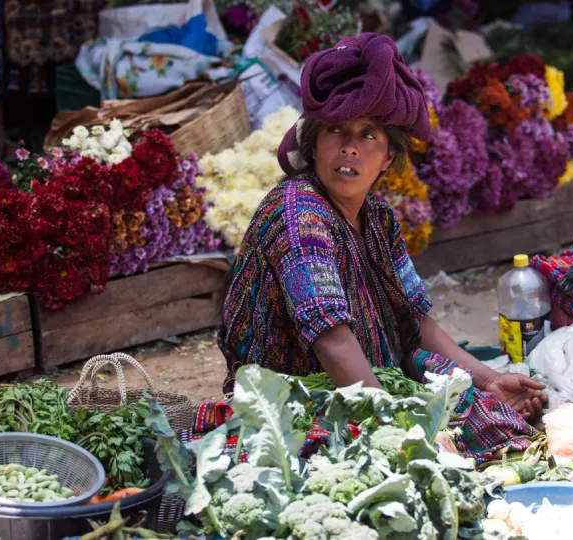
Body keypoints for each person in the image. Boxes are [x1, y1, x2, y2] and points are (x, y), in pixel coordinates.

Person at [218, 33, 546, 460]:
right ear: (314, 144)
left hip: (372, 374)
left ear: (389, 157)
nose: (350, 146)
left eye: (368, 134)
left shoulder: (377, 216)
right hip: (297, 398)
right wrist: (398, 430)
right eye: (334, 130)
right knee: (459, 440)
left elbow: (415, 319)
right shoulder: (298, 214)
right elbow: (332, 342)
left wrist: (486, 379)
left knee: (486, 410)